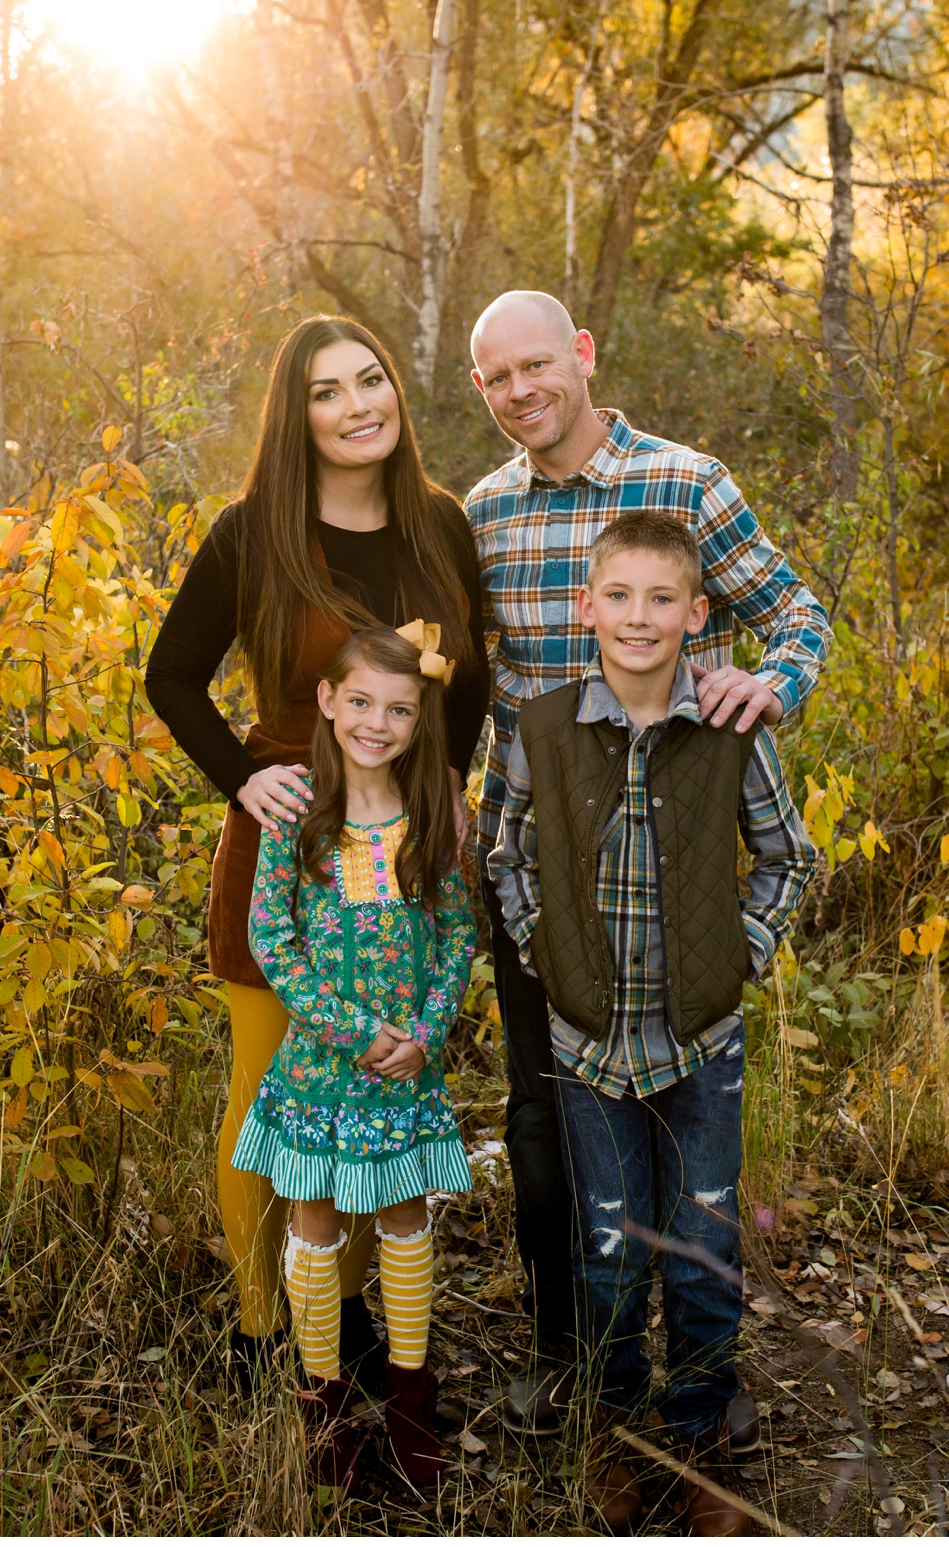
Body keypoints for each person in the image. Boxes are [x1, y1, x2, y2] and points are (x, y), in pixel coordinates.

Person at [463, 290, 830, 1438]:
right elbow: (457, 675)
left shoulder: (686, 481)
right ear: (481, 392)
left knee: (689, 1149)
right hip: (541, 861)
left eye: (537, 366)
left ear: (581, 353)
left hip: (678, 877)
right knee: (543, 1121)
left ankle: (700, 1387)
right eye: (496, 379)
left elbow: (796, 610)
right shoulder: (483, 512)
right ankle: (575, 1358)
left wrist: (772, 684)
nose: (521, 392)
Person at [144, 316, 489, 1394]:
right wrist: (243, 777)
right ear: (297, 416)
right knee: (272, 1096)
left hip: (407, 848)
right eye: (327, 392)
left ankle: (346, 1324)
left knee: (378, 1078)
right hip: (289, 844)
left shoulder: (439, 521)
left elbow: (467, 683)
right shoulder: (254, 531)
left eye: (371, 381)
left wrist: (451, 785)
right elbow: (172, 676)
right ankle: (262, 1330)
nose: (357, 406)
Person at [489, 512, 815, 1534]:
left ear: (697, 614)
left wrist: (742, 956)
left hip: (700, 1039)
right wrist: (550, 955)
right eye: (618, 596)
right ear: (584, 606)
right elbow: (503, 856)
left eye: (661, 598)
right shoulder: (540, 729)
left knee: (703, 1235)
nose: (638, 617)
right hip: (588, 1044)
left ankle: (704, 1419)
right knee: (609, 1247)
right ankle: (620, 1425)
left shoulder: (729, 731)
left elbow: (788, 858)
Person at [233, 627, 477, 1492]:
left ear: (421, 719)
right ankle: (323, 1404)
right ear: (331, 702)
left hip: (406, 1069)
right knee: (316, 1221)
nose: (379, 722)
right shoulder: (298, 809)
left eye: (400, 709)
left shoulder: (430, 811)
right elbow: (272, 936)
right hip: (319, 1068)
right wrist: (352, 1031)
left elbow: (456, 933)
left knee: (405, 1217)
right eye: (362, 701)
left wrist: (425, 1031)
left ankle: (410, 1401)